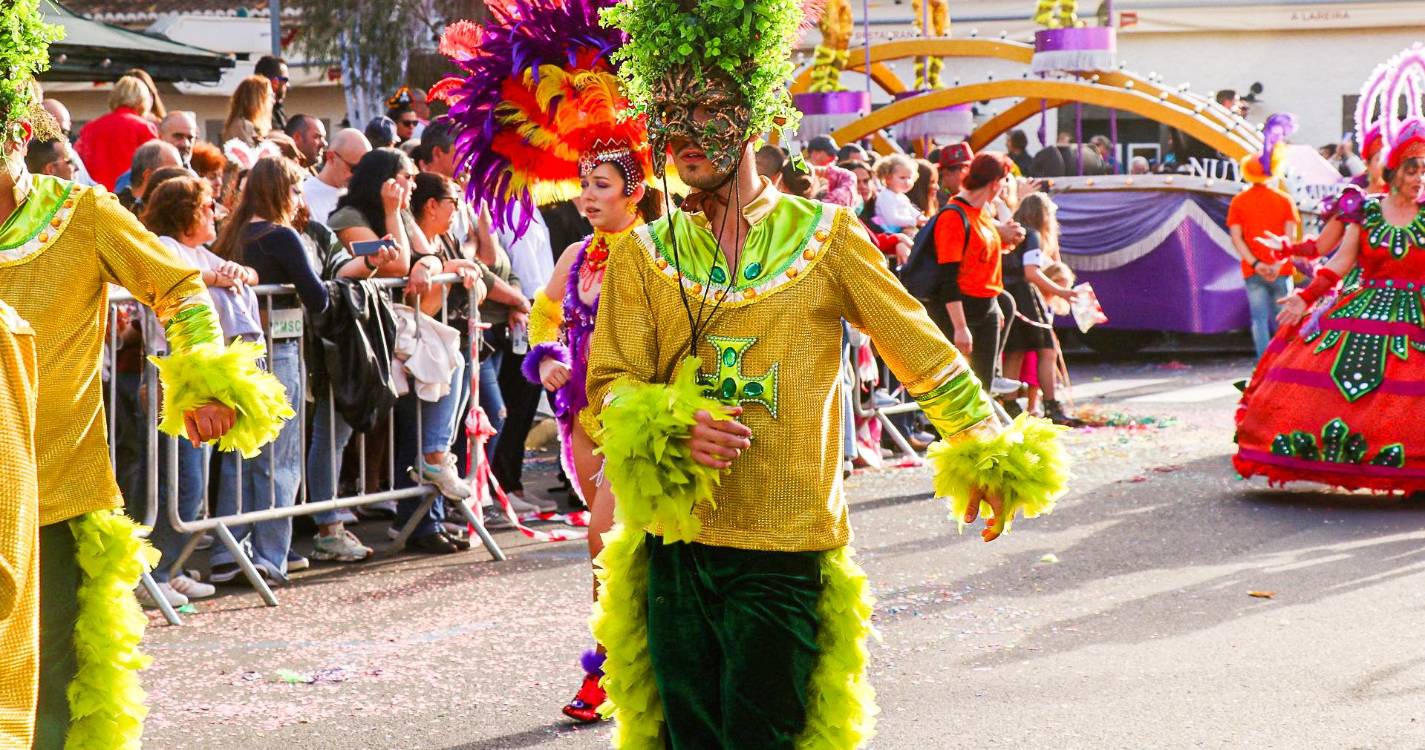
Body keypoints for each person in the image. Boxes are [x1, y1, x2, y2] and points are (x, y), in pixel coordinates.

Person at [586, 0, 1070, 746]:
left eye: (707, 110)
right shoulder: (644, 253)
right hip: (674, 544)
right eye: (669, 114)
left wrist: (983, 446)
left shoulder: (826, 236)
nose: (684, 135)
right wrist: (667, 427)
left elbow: (918, 345)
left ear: (755, 116)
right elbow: (608, 384)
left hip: (785, 543)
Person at [0, 12, 291, 744]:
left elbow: (179, 286)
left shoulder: (80, 214)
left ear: (18, 135)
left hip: (54, 494)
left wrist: (204, 380)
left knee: (49, 689)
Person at [1235, 46, 1425, 494]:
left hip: (1417, 312)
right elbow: (1339, 258)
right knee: (1332, 387)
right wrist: (1304, 296)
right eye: (1412, 169)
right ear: (1394, 172)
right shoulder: (1367, 209)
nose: (1420, 177)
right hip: (1364, 304)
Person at [138, 175, 261, 606]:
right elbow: (173, 277)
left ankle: (171, 568)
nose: (216, 214)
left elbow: (244, 273)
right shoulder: (165, 246)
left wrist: (239, 271)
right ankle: (152, 574)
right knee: (179, 485)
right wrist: (216, 276)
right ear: (186, 211)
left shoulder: (201, 251)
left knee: (193, 485)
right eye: (208, 207)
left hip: (202, 380)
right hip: (172, 379)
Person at [206, 156, 326, 585]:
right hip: (278, 351)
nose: (300, 199)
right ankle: (270, 556)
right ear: (280, 192)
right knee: (280, 458)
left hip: (237, 352)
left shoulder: (231, 234)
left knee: (239, 455)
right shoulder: (281, 236)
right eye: (295, 190)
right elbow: (317, 298)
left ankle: (227, 552)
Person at [927, 152, 1024, 391]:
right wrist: (960, 327)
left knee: (984, 389)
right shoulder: (953, 216)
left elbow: (984, 260)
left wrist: (995, 303)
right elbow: (948, 277)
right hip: (961, 311)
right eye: (1005, 180)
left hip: (987, 307)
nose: (1005, 187)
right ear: (995, 183)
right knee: (959, 392)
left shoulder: (982, 212)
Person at [1227, 113, 1301, 359]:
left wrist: (1256, 264)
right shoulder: (1285, 200)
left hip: (1253, 270)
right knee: (1285, 320)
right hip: (1281, 269)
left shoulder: (1239, 201)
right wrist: (1277, 264)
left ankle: (1263, 363)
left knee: (1258, 320)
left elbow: (1236, 238)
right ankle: (1283, 362)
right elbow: (1289, 239)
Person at [1001, 193, 1079, 425]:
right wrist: (1062, 292)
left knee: (1015, 350)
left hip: (1006, 292)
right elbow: (1031, 272)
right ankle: (1051, 405)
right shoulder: (1032, 235)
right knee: (1047, 350)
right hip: (1025, 294)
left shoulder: (1012, 233)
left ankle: (1010, 405)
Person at [74, 74, 157, 190]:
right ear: (143, 100)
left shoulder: (90, 127)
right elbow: (155, 166)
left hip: (95, 195)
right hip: (129, 194)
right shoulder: (144, 127)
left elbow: (77, 163)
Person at [301, 127, 371, 225]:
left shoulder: (364, 195)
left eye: (363, 169)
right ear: (331, 157)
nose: (358, 175)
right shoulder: (303, 196)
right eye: (353, 168)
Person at [116, 140, 182, 215]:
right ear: (149, 176)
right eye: (173, 174)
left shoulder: (177, 211)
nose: (181, 180)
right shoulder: (114, 211)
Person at [872, 153, 924, 234]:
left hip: (903, 228)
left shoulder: (901, 196)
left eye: (909, 177)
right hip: (889, 231)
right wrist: (915, 221)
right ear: (888, 178)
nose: (907, 182)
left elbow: (911, 210)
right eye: (902, 178)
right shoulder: (885, 196)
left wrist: (920, 217)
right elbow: (892, 219)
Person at [223, 75, 274, 147]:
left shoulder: (245, 125)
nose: (273, 101)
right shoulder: (242, 126)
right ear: (258, 100)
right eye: (270, 95)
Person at [254, 55, 290, 132]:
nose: (288, 85)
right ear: (273, 81)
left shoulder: (278, 110)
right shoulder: (254, 112)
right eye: (285, 80)